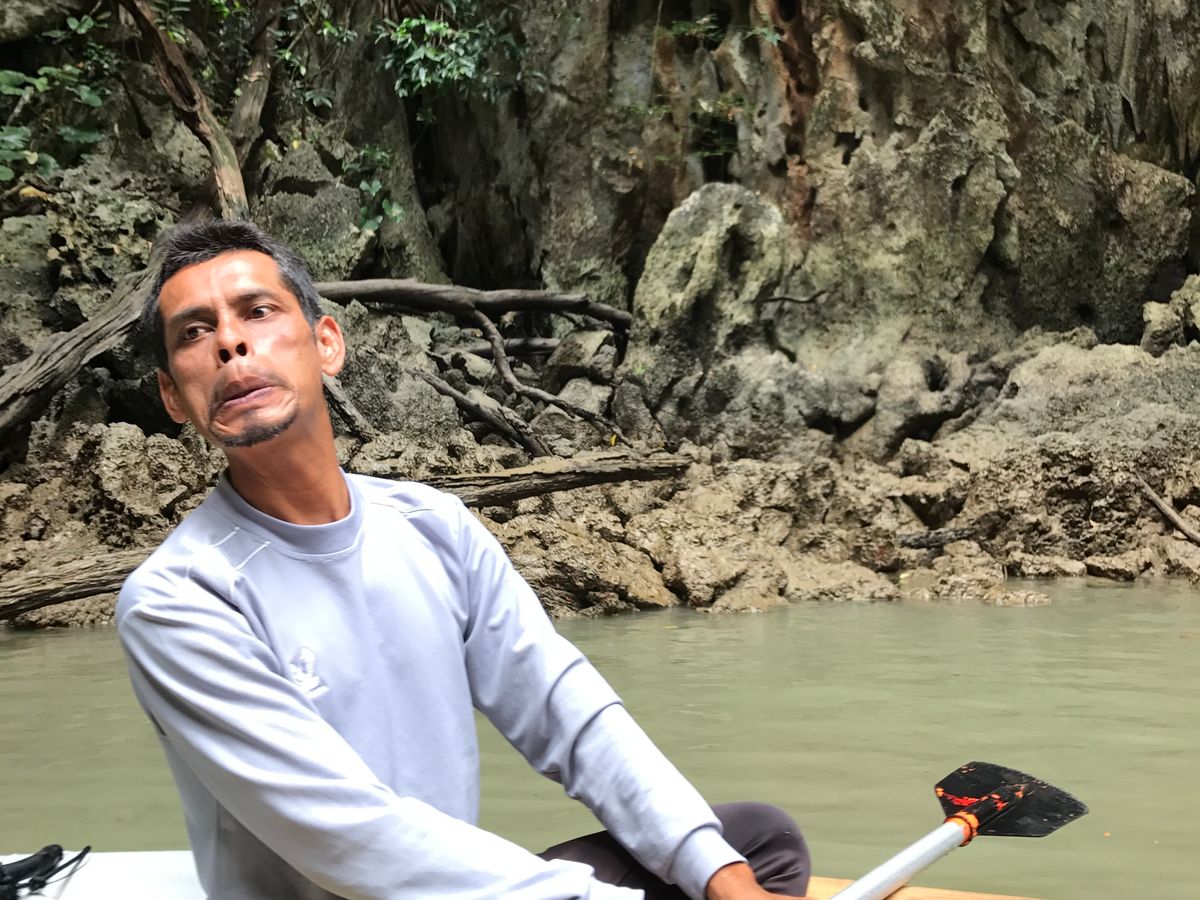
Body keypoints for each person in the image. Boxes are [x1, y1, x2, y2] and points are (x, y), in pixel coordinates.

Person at [116, 219, 812, 900]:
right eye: (194, 333)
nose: (230, 342)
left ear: (327, 342)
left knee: (752, 843)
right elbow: (353, 839)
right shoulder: (177, 599)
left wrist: (720, 879)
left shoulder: (431, 526)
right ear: (173, 395)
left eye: (257, 311)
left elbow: (567, 712)